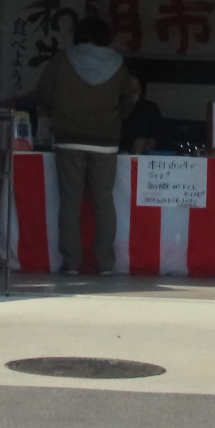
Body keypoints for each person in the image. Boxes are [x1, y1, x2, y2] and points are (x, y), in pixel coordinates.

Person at [35, 15, 138, 275]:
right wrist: (114, 121)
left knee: (70, 202)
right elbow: (129, 99)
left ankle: (71, 263)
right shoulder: (118, 63)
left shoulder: (62, 60)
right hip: (105, 142)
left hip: (69, 140)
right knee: (103, 202)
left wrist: (56, 117)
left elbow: (43, 93)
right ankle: (105, 264)